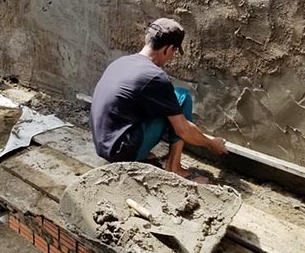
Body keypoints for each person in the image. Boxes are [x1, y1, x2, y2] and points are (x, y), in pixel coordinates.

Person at [90, 18, 228, 180]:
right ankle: (174, 167)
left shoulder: (121, 62)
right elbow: (183, 129)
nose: (171, 57)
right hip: (121, 153)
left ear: (146, 39)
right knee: (182, 98)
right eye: (174, 52)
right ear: (168, 49)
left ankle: (140, 151)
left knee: (165, 104)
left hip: (103, 146)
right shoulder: (155, 76)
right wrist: (211, 144)